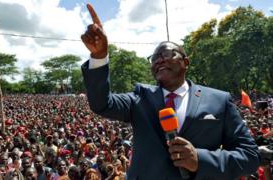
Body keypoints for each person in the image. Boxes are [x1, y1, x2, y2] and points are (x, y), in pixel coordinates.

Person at [80, 3, 261, 180]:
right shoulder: (139, 98)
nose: (159, 60)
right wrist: (99, 56)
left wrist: (200, 159)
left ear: (186, 62)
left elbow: (250, 156)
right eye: (155, 58)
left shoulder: (219, 100)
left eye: (167, 54)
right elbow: (101, 103)